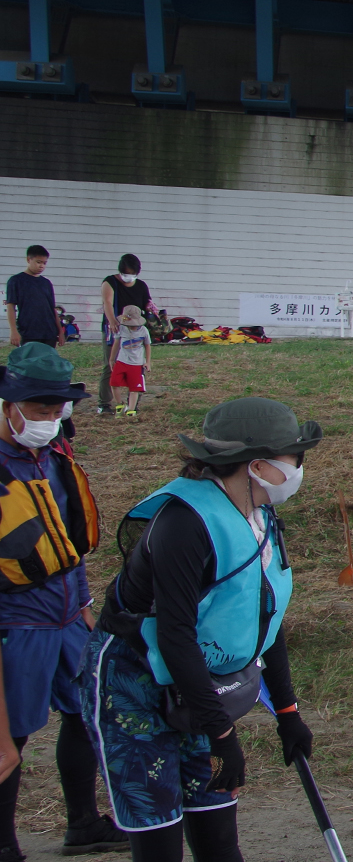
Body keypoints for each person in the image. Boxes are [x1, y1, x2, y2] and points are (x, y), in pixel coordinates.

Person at [82, 396, 320, 860]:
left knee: (218, 839)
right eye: (294, 459)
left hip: (199, 688)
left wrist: (287, 710)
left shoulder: (259, 514)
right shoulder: (183, 524)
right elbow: (174, 635)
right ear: (256, 466)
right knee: (160, 840)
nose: (299, 469)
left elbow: (263, 618)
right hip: (139, 683)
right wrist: (222, 737)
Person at [0, 345, 126, 859]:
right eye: (40, 411)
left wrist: (86, 609)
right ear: (9, 403)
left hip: (69, 616)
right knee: (10, 738)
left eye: (58, 411)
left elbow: (66, 542)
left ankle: (83, 823)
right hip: (16, 625)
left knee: (84, 713)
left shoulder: (54, 454)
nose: (51, 421)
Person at [97, 254, 152, 416]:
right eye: (126, 273)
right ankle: (105, 403)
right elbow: (107, 302)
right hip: (116, 330)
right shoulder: (110, 282)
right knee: (111, 365)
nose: (129, 277)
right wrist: (112, 321)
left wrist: (152, 309)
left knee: (136, 367)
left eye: (132, 273)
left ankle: (133, 403)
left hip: (136, 332)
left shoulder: (141, 285)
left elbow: (146, 304)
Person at [5, 245, 59, 348]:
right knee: (29, 362)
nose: (41, 266)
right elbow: (11, 307)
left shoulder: (46, 283)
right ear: (29, 259)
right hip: (28, 332)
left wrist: (60, 331)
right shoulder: (16, 281)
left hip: (49, 332)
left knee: (47, 362)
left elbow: (52, 309)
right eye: (38, 262)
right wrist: (13, 331)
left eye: (44, 263)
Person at [109, 304, 154, 419]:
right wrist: (111, 359)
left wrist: (147, 362)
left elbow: (148, 345)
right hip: (122, 360)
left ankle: (131, 409)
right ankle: (120, 404)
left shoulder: (143, 331)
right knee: (114, 383)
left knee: (134, 388)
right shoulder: (122, 329)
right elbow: (116, 343)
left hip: (136, 363)